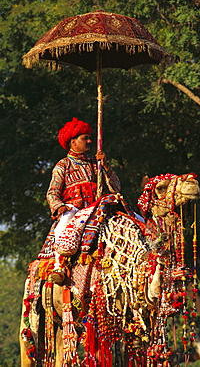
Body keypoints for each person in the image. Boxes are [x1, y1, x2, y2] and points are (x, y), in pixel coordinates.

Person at [45, 117, 121, 283]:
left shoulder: (97, 164)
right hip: (75, 210)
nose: (89, 141)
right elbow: (52, 193)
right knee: (63, 226)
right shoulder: (63, 165)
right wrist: (59, 207)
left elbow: (116, 188)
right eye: (84, 138)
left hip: (98, 208)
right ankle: (59, 267)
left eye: (89, 137)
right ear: (73, 142)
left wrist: (106, 166)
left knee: (131, 221)